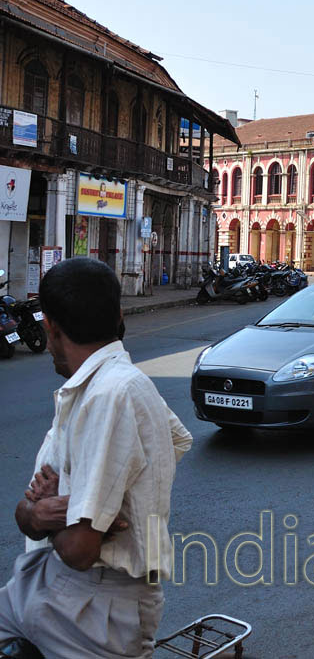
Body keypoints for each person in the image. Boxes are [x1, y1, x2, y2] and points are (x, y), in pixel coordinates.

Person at [2, 258, 191, 658]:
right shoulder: (101, 387)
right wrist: (48, 512)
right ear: (120, 315)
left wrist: (59, 515)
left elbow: (80, 550)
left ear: (50, 328)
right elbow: (29, 514)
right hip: (51, 583)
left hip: (88, 605)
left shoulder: (111, 394)